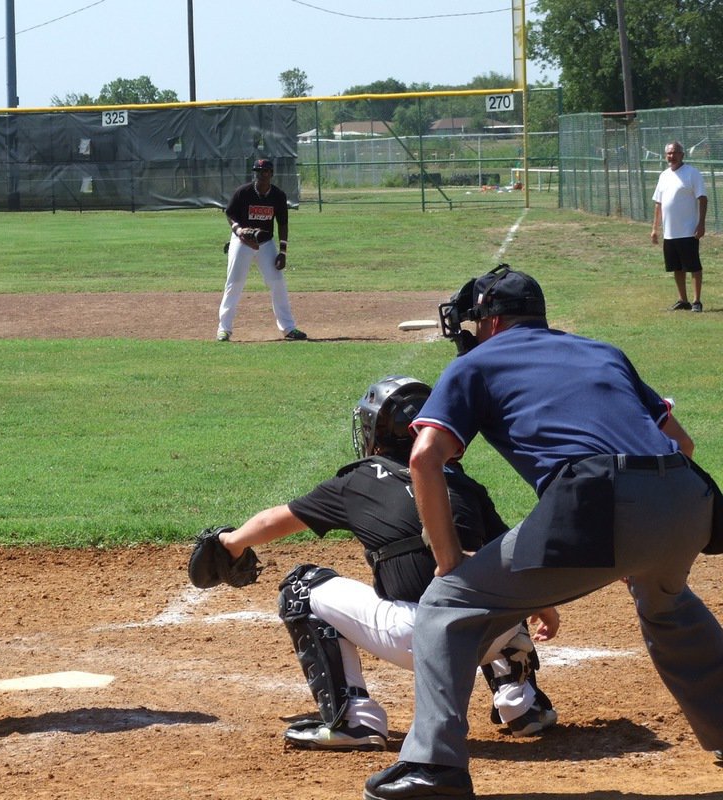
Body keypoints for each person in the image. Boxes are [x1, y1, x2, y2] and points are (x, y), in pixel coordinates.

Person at [365, 264, 723, 800]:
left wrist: (446, 562)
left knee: (445, 608)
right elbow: (683, 445)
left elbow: (424, 458)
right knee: (668, 605)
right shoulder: (602, 350)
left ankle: (433, 767)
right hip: (690, 496)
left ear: (488, 321)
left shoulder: (477, 363)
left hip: (597, 499)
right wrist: (640, 541)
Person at [210, 376, 558, 753]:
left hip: (420, 638)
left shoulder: (357, 481)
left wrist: (231, 542)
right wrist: (542, 604)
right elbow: (515, 557)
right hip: (494, 632)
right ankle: (521, 704)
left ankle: (353, 720)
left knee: (302, 587)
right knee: (490, 574)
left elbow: (276, 520)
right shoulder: (463, 484)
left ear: (377, 430)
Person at [217, 158, 307, 342]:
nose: (263, 174)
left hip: (266, 243)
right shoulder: (243, 192)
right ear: (255, 174)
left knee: (277, 282)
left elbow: (282, 223)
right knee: (234, 283)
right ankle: (224, 329)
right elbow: (230, 213)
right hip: (242, 241)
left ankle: (288, 328)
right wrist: (238, 230)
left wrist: (283, 252)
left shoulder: (278, 196)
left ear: (272, 174)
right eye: (259, 171)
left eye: (266, 171)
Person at [650, 140, 708, 312]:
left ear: (682, 154)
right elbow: (658, 204)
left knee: (693, 266)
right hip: (670, 232)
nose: (671, 156)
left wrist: (701, 224)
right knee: (676, 267)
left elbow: (702, 198)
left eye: (675, 152)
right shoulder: (664, 176)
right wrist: (655, 229)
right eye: (668, 153)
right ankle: (683, 300)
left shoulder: (692, 173)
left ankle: (697, 301)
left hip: (688, 231)